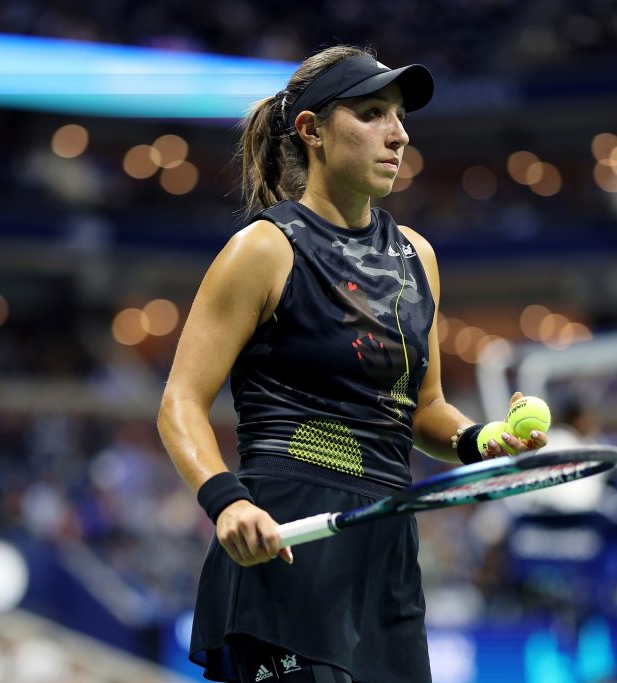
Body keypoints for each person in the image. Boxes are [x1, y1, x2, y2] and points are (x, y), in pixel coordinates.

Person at [157, 44, 547, 683]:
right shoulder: (263, 249)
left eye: (398, 115)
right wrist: (227, 503)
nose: (398, 134)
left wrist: (483, 439)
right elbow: (179, 403)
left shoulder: (417, 258)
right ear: (311, 131)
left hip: (387, 560)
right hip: (287, 542)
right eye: (371, 113)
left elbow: (424, 410)